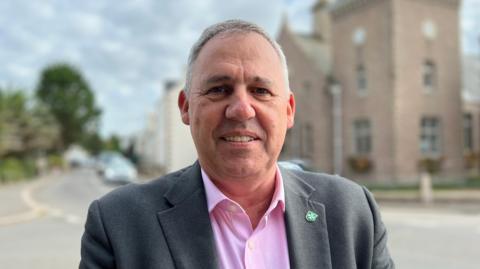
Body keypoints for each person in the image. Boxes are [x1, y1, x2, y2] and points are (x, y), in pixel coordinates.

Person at [80, 19, 395, 269]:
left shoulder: (353, 214)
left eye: (260, 91)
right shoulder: (118, 225)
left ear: (288, 110)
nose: (242, 109)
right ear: (186, 107)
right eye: (219, 89)